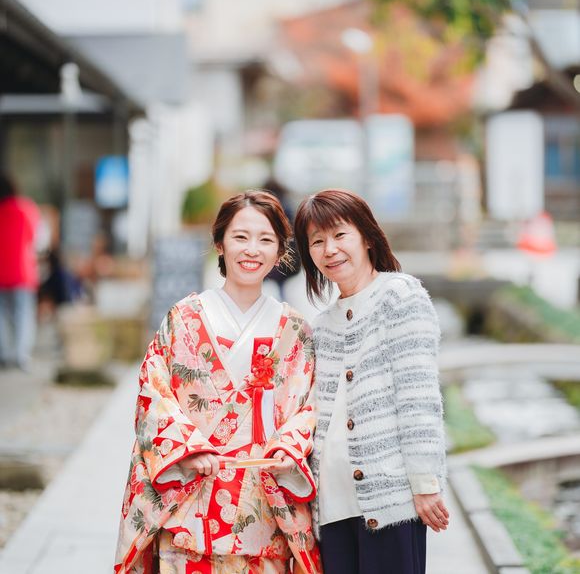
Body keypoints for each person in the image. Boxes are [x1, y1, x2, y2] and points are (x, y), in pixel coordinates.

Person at [115, 190, 321, 573]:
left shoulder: (293, 330)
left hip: (261, 507)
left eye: (265, 239)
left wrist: (288, 448)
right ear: (220, 243)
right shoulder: (184, 319)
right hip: (191, 498)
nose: (252, 250)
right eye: (240, 237)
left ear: (280, 251)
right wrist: (187, 450)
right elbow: (153, 393)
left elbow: (308, 407)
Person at [294, 189, 449, 574]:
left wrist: (425, 482)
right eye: (317, 241)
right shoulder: (321, 327)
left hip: (389, 502)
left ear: (366, 236)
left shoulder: (400, 297)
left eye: (339, 235)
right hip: (331, 508)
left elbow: (418, 397)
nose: (330, 249)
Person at [0, 173, 41, 370]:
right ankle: (20, 355)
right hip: (21, 271)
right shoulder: (26, 208)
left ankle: (4, 353)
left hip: (1, 271)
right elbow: (35, 237)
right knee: (23, 314)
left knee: (2, 314)